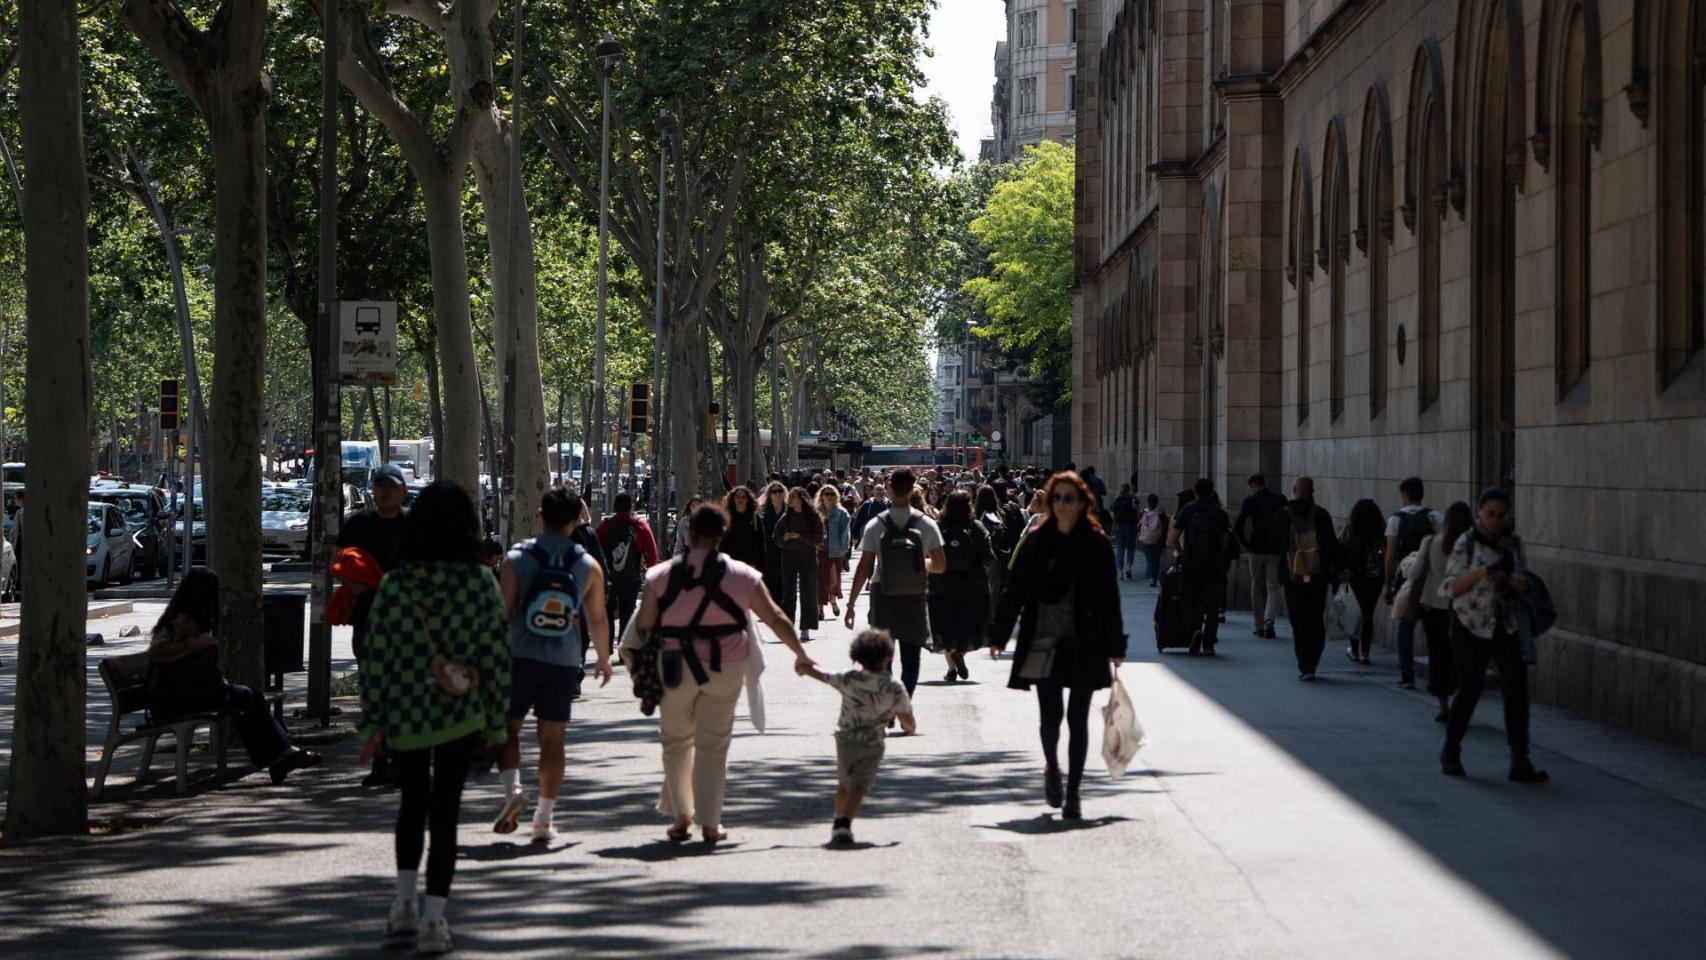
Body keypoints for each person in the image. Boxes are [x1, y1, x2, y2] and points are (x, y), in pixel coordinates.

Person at [358, 481, 511, 955]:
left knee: (411, 805)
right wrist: (497, 724)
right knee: (445, 814)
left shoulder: (396, 584)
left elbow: (375, 654)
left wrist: (373, 722)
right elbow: (496, 655)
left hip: (405, 713)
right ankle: (432, 919)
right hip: (460, 714)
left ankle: (402, 902)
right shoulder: (480, 582)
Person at [632, 503, 815, 844]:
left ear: (689, 533)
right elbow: (774, 617)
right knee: (713, 746)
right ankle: (710, 823)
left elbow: (643, 624)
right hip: (725, 666)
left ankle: (682, 815)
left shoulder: (660, 576)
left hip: (675, 666)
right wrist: (801, 655)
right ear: (722, 534)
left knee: (675, 741)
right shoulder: (743, 575)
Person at [987, 471, 1125, 820]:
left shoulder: (1097, 544)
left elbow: (1110, 597)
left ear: (1082, 503)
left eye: (1070, 499)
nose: (1063, 505)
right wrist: (1000, 634)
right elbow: (1015, 590)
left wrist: (1115, 643)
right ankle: (1052, 767)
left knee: (1078, 719)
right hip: (1043, 639)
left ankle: (1075, 792)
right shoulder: (1036, 541)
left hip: (1086, 640)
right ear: (1049, 502)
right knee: (1051, 716)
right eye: (1058, 498)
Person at [492, 488, 613, 843]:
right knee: (552, 741)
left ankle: (513, 791)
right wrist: (603, 658)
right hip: (563, 661)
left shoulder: (516, 558)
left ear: (540, 515)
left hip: (520, 657)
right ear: (577, 521)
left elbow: (504, 612)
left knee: (509, 730)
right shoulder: (587, 564)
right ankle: (544, 818)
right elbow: (598, 618)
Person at [146, 569, 322, 784]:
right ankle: (280, 756)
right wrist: (194, 644)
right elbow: (157, 651)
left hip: (193, 692)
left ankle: (282, 755)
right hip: (175, 698)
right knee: (244, 698)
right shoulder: (178, 621)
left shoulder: (197, 619)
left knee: (251, 697)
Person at [1438, 488, 1548, 783]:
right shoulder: (1467, 543)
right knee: (1471, 689)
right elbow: (1449, 587)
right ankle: (1451, 751)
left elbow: (1520, 576)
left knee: (1516, 691)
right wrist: (1481, 574)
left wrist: (1517, 583)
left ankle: (1520, 759)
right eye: (1490, 514)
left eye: (1501, 515)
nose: (1496, 520)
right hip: (1470, 624)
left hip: (1505, 624)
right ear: (1479, 513)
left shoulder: (1512, 545)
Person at [799, 628, 915, 844]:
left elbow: (825, 676)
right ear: (888, 656)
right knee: (859, 785)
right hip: (872, 743)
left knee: (844, 783)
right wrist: (909, 728)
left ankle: (838, 818)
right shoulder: (893, 687)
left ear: (857, 657)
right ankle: (843, 824)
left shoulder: (850, 678)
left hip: (844, 739)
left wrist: (805, 668)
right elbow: (906, 718)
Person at [844, 468, 948, 696]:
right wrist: (917, 563)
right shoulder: (927, 524)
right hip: (914, 594)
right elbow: (940, 565)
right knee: (911, 656)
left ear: (888, 488)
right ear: (913, 490)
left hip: (883, 595)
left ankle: (888, 705)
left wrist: (851, 605)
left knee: (883, 657)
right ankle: (904, 703)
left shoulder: (875, 525)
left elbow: (864, 568)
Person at [339, 462, 409, 786]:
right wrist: (357, 585)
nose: (385, 492)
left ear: (402, 491)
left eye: (391, 486)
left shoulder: (417, 525)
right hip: (368, 618)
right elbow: (340, 563)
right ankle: (381, 761)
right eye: (380, 486)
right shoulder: (357, 525)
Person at [1273, 476, 1342, 681]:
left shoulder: (1283, 515)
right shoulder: (1321, 515)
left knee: (1298, 620)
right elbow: (1331, 546)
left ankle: (1304, 665)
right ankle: (1313, 661)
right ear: (1312, 491)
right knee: (1315, 619)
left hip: (1292, 576)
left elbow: (1275, 543)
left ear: (1295, 490)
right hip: (1318, 576)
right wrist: (1338, 570)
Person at [1384, 477, 1444, 688]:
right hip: (1432, 577)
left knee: (1405, 624)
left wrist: (1388, 584)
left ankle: (1407, 675)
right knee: (1434, 628)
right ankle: (1439, 674)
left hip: (1407, 576)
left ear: (1405, 494)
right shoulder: (1436, 517)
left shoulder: (1395, 519)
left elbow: (1390, 555)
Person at [930, 489, 994, 683]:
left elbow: (927, 554)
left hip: (942, 586)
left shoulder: (938, 527)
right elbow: (988, 557)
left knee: (946, 629)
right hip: (973, 587)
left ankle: (951, 668)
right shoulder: (976, 527)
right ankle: (960, 654)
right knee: (970, 627)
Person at [1417, 501, 1471, 722]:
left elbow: (1416, 572)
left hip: (1434, 606)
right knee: (1463, 656)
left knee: (1438, 655)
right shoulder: (1470, 546)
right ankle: (1461, 698)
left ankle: (1443, 705)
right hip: (1463, 607)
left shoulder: (1431, 543)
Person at [1167, 478, 1234, 656]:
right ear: (1212, 492)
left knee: (1187, 599)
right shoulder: (1219, 513)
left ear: (1196, 492)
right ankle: (1209, 644)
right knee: (1212, 605)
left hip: (1191, 563)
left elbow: (1172, 540)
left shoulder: (1187, 510)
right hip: (1213, 565)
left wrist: (1182, 553)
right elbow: (1225, 542)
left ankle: (1194, 631)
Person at [596, 492, 659, 651]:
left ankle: (607, 645)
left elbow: (596, 553)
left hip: (608, 579)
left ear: (614, 506)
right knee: (627, 613)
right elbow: (652, 553)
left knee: (608, 612)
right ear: (631, 506)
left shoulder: (604, 526)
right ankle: (624, 649)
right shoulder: (640, 525)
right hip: (631, 578)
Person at [1233, 474, 1287, 638]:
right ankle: (1269, 620)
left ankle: (1259, 625)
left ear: (1252, 485)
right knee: (1273, 587)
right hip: (1274, 549)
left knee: (1256, 585)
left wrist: (1247, 544)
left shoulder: (1250, 501)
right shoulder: (1279, 500)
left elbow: (1238, 526)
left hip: (1256, 548)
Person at [773, 487, 825, 642]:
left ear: (802, 498)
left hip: (807, 556)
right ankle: (788, 627)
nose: (790, 500)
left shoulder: (814, 517)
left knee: (808, 592)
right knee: (789, 593)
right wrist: (785, 538)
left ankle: (805, 628)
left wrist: (799, 536)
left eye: (793, 497)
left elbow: (819, 539)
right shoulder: (786, 517)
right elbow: (776, 537)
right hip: (788, 556)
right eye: (789, 497)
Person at [1340, 499, 1387, 665]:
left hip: (1355, 577)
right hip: (1375, 578)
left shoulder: (1350, 531)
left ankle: (1354, 649)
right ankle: (1365, 652)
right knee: (1368, 614)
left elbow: (1341, 551)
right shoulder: (1381, 532)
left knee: (1354, 614)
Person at [817, 486, 851, 618]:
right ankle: (820, 608)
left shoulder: (841, 513)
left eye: (832, 494)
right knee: (820, 580)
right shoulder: (816, 512)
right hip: (820, 550)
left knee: (833, 579)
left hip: (836, 551)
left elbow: (846, 531)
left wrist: (844, 547)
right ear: (822, 496)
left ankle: (833, 602)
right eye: (826, 494)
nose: (829, 496)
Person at [721, 486, 766, 570]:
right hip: (732, 563)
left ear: (748, 500)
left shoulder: (755, 518)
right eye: (737, 496)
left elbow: (761, 542)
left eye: (743, 497)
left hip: (751, 563)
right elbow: (722, 543)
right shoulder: (727, 518)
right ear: (733, 499)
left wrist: (761, 564)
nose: (740, 499)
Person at [759, 481, 789, 599]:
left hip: (785, 549)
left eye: (780, 491)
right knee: (769, 578)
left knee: (783, 578)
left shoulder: (789, 510)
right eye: (774, 492)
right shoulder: (763, 510)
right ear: (769, 494)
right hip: (768, 549)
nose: (777, 494)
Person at [1135, 494, 1168, 587]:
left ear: (1148, 502)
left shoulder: (1144, 512)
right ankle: (1153, 577)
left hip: (1146, 538)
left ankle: (1149, 574)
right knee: (1156, 559)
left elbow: (1139, 524)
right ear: (1156, 502)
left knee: (1149, 558)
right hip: (1158, 539)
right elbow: (1165, 525)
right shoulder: (1161, 513)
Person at [1109, 483, 1140, 579]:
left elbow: (1112, 514)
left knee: (1120, 547)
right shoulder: (1133, 498)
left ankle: (1120, 572)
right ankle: (1129, 568)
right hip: (1131, 525)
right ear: (1129, 490)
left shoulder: (1117, 499)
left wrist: (1114, 526)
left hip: (1119, 525)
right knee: (1131, 546)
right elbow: (1137, 512)